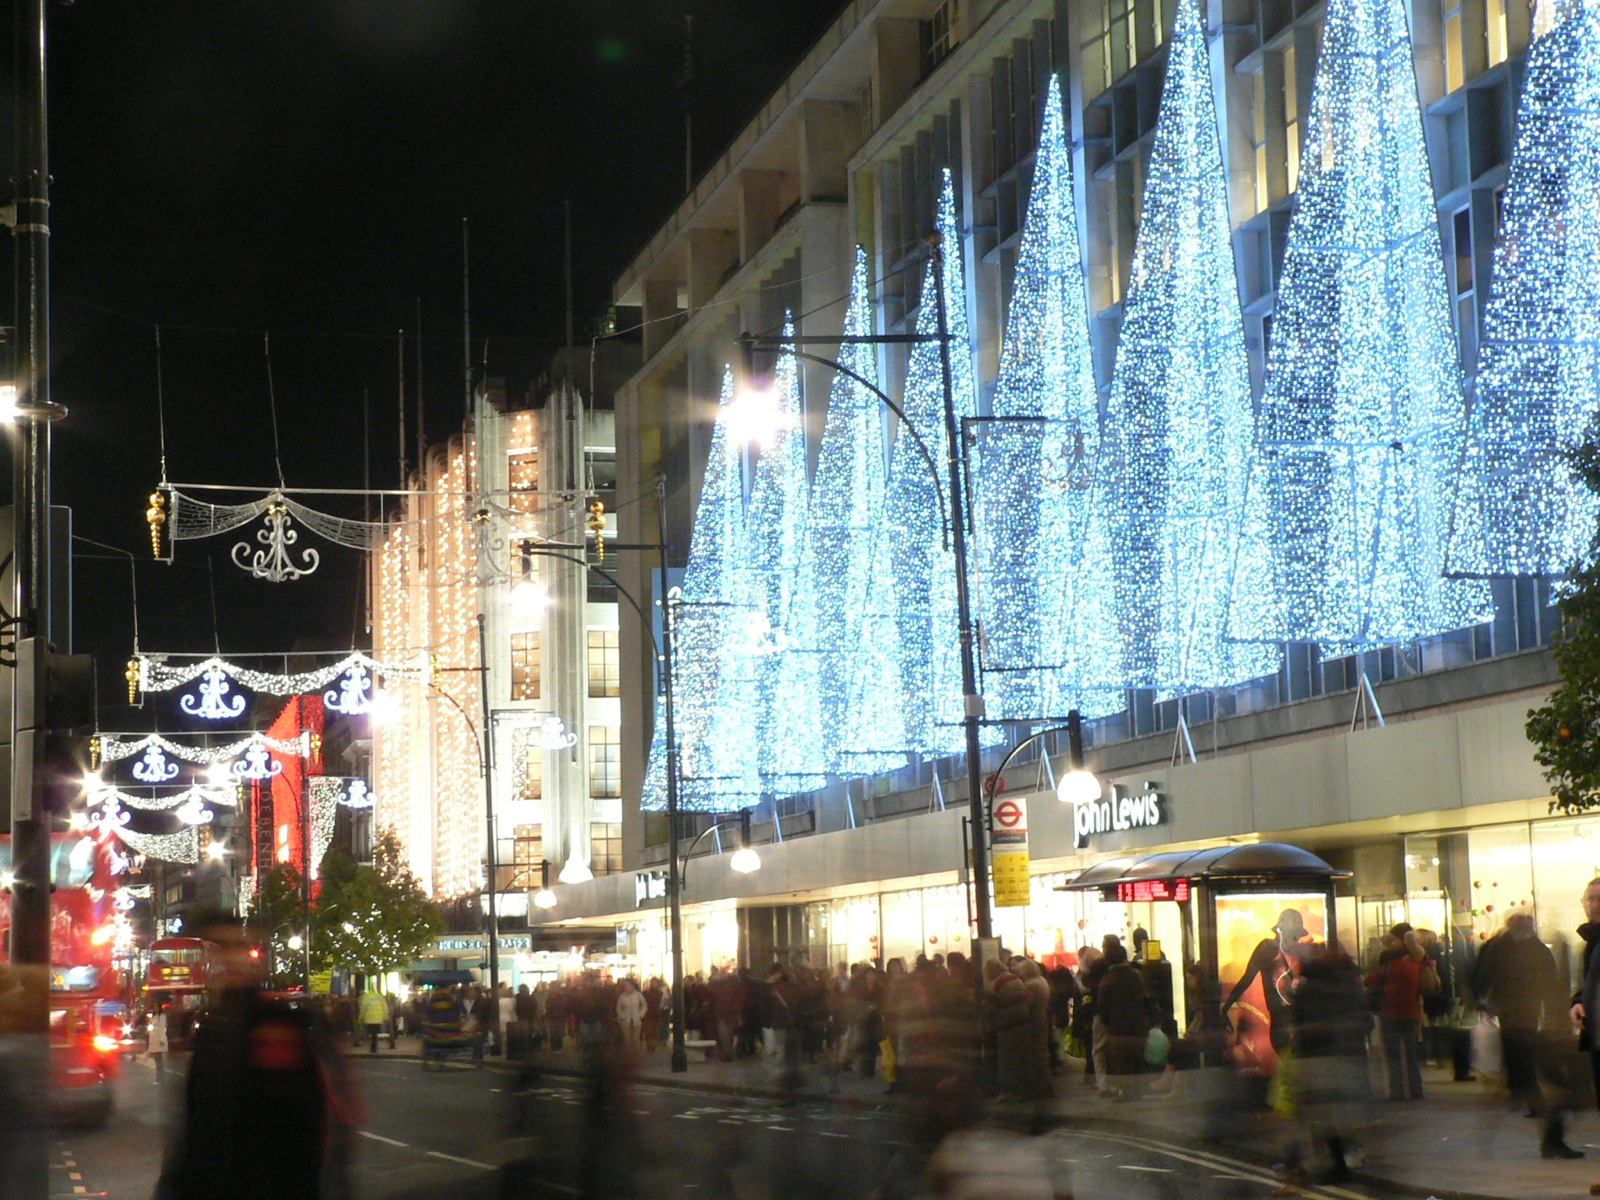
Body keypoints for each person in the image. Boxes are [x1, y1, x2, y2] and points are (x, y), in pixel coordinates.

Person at [154, 922, 359, 1200]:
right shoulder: (211, 1032)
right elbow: (192, 1125)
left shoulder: (278, 1026)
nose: (228, 959)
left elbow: (303, 1122)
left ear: (253, 957)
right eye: (218, 949)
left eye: (236, 947)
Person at [1365, 922, 1425, 1101]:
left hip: (1390, 1013)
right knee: (1411, 1054)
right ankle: (1416, 1090)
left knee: (1393, 1056)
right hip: (1411, 1013)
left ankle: (1397, 1091)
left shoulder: (1390, 966)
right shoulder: (1416, 966)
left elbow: (1369, 981)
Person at [615, 978, 646, 1050]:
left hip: (636, 1020)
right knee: (627, 1039)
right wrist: (622, 1017)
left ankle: (635, 1056)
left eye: (629, 985)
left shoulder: (638, 995)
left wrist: (641, 1015)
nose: (627, 987)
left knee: (636, 1040)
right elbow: (618, 1008)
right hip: (625, 1021)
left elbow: (644, 1005)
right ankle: (628, 1056)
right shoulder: (622, 996)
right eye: (626, 986)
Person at [358, 984, 388, 1054]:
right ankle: (374, 1046)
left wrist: (360, 1018)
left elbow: (363, 1008)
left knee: (370, 1033)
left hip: (369, 1019)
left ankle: (371, 1046)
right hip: (378, 1018)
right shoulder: (380, 996)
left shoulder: (366, 997)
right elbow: (385, 1007)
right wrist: (385, 1017)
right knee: (375, 1033)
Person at [149, 1003, 170, 1083]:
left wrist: (161, 1039)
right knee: (157, 1061)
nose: (155, 1008)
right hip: (154, 1040)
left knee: (159, 1061)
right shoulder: (154, 1016)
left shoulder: (162, 1016)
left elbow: (162, 1028)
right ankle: (159, 1078)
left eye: (156, 1007)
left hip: (159, 1041)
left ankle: (160, 1078)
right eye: (154, 1007)